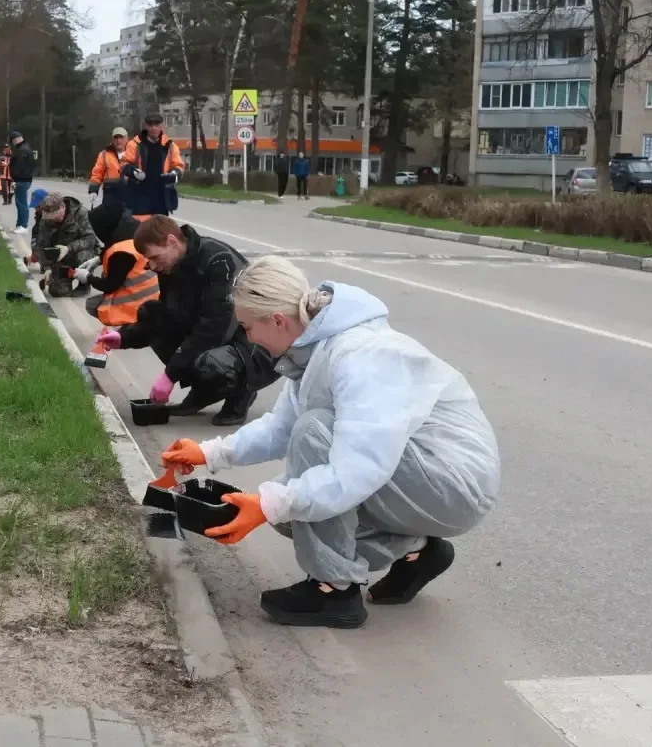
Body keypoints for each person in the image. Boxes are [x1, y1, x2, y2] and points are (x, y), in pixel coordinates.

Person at [158, 257, 500, 629]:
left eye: (247, 327)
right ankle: (418, 551)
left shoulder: (361, 355)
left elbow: (358, 468)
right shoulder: (312, 350)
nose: (248, 338)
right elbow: (279, 427)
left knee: (308, 450)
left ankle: (335, 590)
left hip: (454, 484)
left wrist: (271, 503)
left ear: (277, 320)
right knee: (295, 513)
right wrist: (210, 452)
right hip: (420, 476)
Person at [93, 216, 277, 427]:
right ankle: (204, 391)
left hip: (258, 346)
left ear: (172, 241)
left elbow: (214, 329)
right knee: (152, 314)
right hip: (223, 336)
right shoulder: (171, 265)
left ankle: (242, 392)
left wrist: (169, 376)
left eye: (155, 257)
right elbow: (170, 316)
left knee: (212, 364)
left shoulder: (219, 261)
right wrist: (123, 337)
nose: (153, 265)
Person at [75, 202, 159, 325]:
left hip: (139, 303)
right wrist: (99, 259)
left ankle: (130, 325)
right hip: (154, 296)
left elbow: (110, 285)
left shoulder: (121, 253)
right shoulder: (133, 229)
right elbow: (114, 243)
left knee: (93, 305)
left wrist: (88, 278)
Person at [30, 192, 98, 297]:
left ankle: (84, 285)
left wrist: (68, 248)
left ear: (63, 207)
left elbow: (90, 239)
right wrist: (47, 267)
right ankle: (65, 282)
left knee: (82, 256)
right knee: (55, 291)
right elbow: (41, 246)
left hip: (81, 252)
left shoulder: (80, 213)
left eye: (55, 217)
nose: (53, 220)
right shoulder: (46, 220)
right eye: (50, 218)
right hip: (61, 257)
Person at [121, 114, 185, 218]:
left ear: (162, 126)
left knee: (160, 227)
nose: (154, 128)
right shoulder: (134, 144)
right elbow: (124, 164)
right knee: (140, 226)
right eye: (150, 125)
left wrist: (174, 174)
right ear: (145, 126)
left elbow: (179, 165)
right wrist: (134, 172)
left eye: (157, 124)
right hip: (139, 196)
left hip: (162, 198)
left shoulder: (170, 146)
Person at [89, 128, 129, 208]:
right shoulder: (104, 154)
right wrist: (93, 190)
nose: (118, 140)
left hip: (129, 194)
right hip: (110, 196)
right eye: (116, 138)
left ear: (126, 139)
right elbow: (97, 172)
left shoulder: (134, 153)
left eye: (121, 137)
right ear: (112, 140)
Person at [8, 130, 36, 230]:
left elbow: (19, 166)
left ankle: (23, 226)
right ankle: (19, 225)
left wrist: (15, 179)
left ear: (15, 140)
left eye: (13, 141)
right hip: (23, 179)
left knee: (21, 203)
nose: (13, 144)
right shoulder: (26, 147)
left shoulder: (22, 150)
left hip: (21, 180)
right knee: (19, 203)